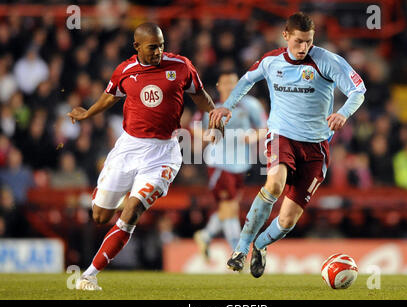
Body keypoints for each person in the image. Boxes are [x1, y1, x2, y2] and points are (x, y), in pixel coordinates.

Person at [210, 12, 366, 278]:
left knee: (287, 220)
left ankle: (260, 245)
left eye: (308, 41)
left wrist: (343, 113)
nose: (303, 47)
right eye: (298, 41)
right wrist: (227, 106)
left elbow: (358, 90)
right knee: (274, 184)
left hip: (315, 147)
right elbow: (247, 80)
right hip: (281, 136)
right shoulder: (271, 61)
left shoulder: (327, 61)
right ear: (285, 36)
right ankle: (240, 249)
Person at [67, 22, 220, 290]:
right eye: (152, 47)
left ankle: (89, 275)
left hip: (163, 153)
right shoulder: (125, 71)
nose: (159, 51)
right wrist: (88, 113)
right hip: (128, 148)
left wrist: (215, 113)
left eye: (161, 45)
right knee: (100, 216)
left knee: (132, 210)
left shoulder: (181, 66)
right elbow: (109, 96)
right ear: (137, 46)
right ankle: (107, 196)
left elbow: (200, 95)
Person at [192, 71, 267, 260]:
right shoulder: (212, 106)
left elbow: (266, 127)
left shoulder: (251, 105)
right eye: (226, 83)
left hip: (241, 165)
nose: (230, 87)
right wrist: (207, 136)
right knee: (229, 207)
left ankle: (206, 235)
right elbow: (194, 126)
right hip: (219, 164)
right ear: (220, 86)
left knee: (230, 208)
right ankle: (237, 251)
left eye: (234, 83)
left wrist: (253, 136)